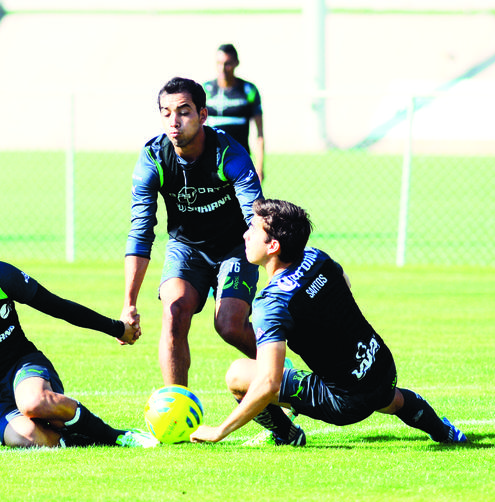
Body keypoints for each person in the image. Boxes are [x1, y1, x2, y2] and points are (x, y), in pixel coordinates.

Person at [190, 199, 468, 446]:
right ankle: (445, 432)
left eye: (253, 230)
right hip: (382, 365)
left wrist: (218, 431)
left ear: (273, 246)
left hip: (344, 403)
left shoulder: (271, 303)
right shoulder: (316, 257)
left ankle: (286, 434)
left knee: (238, 374)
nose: (245, 235)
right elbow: (344, 284)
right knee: (388, 398)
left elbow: (269, 383)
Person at [0, 215, 158, 449]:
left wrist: (117, 328)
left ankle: (116, 436)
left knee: (33, 402)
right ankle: (77, 439)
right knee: (27, 435)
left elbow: (58, 306)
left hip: (22, 366)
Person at [122, 77, 263, 387]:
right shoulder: (153, 158)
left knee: (228, 325)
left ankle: (283, 374)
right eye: (166, 112)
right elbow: (141, 230)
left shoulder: (229, 153)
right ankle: (177, 408)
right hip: (186, 247)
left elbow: (256, 216)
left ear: (203, 115)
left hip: (235, 247)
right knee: (174, 313)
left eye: (184, 112)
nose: (174, 121)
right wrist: (129, 304)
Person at [203, 44, 265, 182]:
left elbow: (259, 133)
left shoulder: (249, 90)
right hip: (210, 163)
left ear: (237, 63)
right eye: (219, 63)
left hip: (239, 162)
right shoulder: (205, 90)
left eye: (227, 64)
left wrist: (259, 167)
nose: (222, 68)